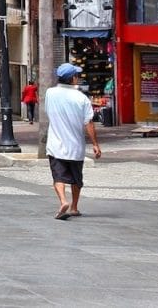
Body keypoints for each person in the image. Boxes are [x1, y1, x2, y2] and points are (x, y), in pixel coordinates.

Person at [44, 63, 101, 220]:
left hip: (55, 144)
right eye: (77, 76)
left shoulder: (50, 93)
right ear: (73, 79)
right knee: (76, 178)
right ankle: (74, 207)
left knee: (58, 176)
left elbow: (48, 112)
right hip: (76, 146)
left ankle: (63, 201)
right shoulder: (81, 98)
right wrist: (95, 144)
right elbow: (88, 122)